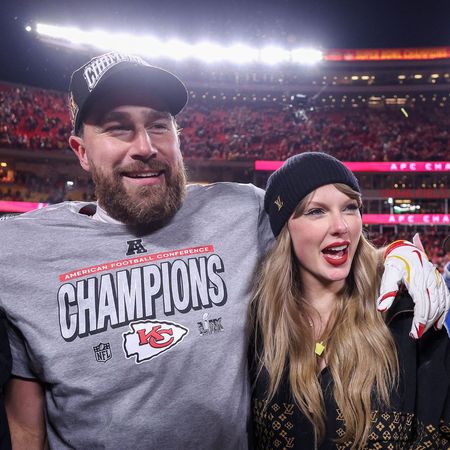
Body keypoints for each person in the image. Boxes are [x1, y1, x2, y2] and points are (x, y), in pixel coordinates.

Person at [0, 52, 448, 450]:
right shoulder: (21, 249)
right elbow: (25, 427)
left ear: (177, 137)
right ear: (80, 150)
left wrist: (393, 256)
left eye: (159, 124)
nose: (145, 147)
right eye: (119, 128)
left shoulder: (238, 208)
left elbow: (319, 218)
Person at [250, 152, 450, 449]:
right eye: (316, 211)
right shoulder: (257, 324)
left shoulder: (406, 312)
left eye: (350, 208)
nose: (341, 226)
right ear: (285, 229)